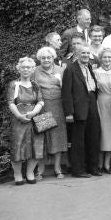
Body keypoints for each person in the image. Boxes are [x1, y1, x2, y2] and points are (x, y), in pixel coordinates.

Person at [62, 42, 102, 178]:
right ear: (77, 55)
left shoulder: (89, 67)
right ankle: (78, 170)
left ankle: (93, 168)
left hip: (91, 105)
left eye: (87, 53)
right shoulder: (70, 69)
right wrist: (69, 113)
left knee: (93, 137)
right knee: (78, 141)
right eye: (82, 53)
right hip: (78, 108)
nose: (85, 55)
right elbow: (66, 93)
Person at [7, 57, 45, 185]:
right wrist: (18, 115)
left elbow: (40, 101)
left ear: (33, 69)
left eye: (29, 67)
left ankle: (30, 173)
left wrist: (34, 112)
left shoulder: (35, 85)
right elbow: (11, 102)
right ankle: (17, 174)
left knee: (36, 147)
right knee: (17, 147)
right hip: (19, 121)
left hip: (34, 120)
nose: (26, 69)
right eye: (23, 67)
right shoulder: (14, 84)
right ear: (19, 68)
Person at [33, 47, 68, 179]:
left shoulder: (61, 70)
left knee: (58, 138)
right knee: (43, 138)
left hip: (58, 107)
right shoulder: (35, 71)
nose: (46, 60)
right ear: (39, 59)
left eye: (49, 57)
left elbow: (66, 88)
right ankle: (40, 170)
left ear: (53, 58)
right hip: (42, 107)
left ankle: (58, 168)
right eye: (43, 58)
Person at [93, 47, 111, 174]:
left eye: (109, 57)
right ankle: (99, 164)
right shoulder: (95, 72)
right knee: (101, 133)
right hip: (100, 103)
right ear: (100, 58)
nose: (107, 59)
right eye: (104, 57)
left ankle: (107, 164)